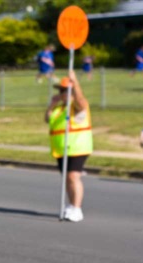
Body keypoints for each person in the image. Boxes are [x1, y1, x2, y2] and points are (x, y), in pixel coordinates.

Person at [44, 70, 93, 222]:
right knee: (67, 178)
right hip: (61, 150)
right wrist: (52, 104)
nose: (61, 93)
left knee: (73, 176)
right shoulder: (59, 109)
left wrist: (75, 82)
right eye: (60, 90)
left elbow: (81, 101)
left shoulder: (77, 106)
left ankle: (77, 209)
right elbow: (47, 119)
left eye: (64, 90)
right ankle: (72, 205)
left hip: (78, 147)